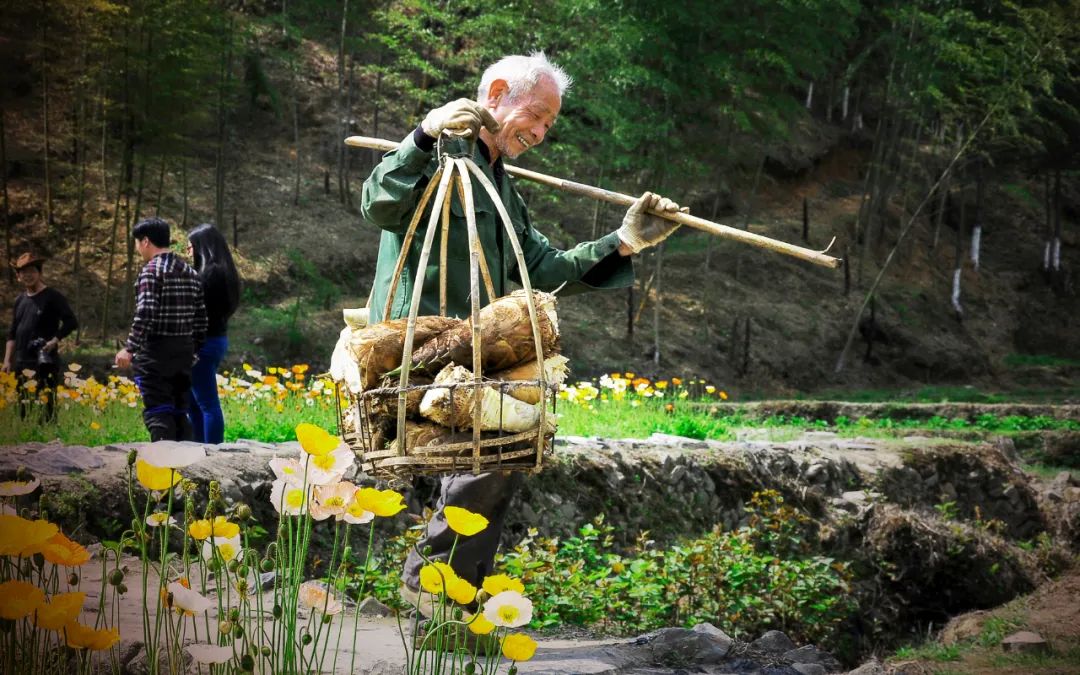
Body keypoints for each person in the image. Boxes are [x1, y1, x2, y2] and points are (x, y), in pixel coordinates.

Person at [360, 52, 687, 602]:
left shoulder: (502, 189)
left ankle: (451, 587)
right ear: (497, 94)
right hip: (414, 351)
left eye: (548, 125)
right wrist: (420, 135)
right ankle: (435, 588)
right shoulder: (435, 155)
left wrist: (625, 241)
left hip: (474, 354)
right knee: (490, 456)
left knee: (503, 453)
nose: (539, 132)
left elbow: (544, 268)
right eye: (535, 115)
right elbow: (377, 202)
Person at [115, 217, 208, 442]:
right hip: (184, 351)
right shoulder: (190, 272)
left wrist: (129, 349)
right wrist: (194, 351)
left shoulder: (152, 271)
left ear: (145, 241)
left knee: (158, 410)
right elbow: (201, 320)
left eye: (137, 243)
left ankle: (163, 464)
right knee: (179, 410)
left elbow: (146, 312)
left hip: (155, 352)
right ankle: (187, 464)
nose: (137, 249)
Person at [3, 252, 78, 422]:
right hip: (22, 362)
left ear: (39, 273)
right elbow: (12, 332)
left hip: (45, 361)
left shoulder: (52, 297)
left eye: (32, 271)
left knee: (47, 409)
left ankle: (51, 445)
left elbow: (71, 322)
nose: (28, 275)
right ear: (18, 276)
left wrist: (55, 340)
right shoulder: (20, 300)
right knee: (23, 409)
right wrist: (7, 360)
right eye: (23, 272)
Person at [185, 223, 241, 444]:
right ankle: (200, 447)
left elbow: (197, 312)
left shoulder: (210, 275)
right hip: (217, 339)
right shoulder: (226, 273)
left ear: (202, 247)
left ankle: (212, 453)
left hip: (203, 343)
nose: (188, 252)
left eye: (190, 247)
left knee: (206, 404)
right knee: (196, 402)